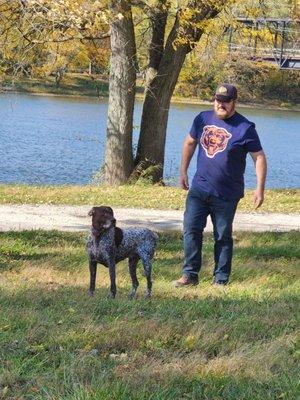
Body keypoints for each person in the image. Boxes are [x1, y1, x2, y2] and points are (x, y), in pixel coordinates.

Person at [175, 83, 267, 287]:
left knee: (222, 236)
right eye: (218, 100)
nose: (221, 105)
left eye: (226, 101)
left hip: (227, 194)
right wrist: (183, 171)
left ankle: (221, 279)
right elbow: (190, 142)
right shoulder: (202, 118)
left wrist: (259, 187)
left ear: (235, 102)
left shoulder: (245, 128)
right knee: (191, 230)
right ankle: (189, 275)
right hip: (199, 188)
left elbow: (258, 157)